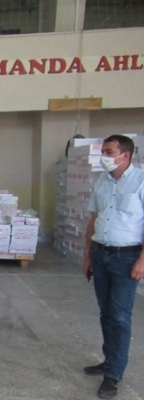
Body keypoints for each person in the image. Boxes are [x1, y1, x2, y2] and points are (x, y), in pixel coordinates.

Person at [83, 135, 144, 399]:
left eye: (108, 152)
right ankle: (109, 360)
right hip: (101, 254)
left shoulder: (141, 181)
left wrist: (142, 260)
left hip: (126, 257)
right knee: (106, 312)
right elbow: (93, 219)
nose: (104, 157)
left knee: (119, 316)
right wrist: (87, 256)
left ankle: (114, 374)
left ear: (125, 155)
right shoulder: (102, 181)